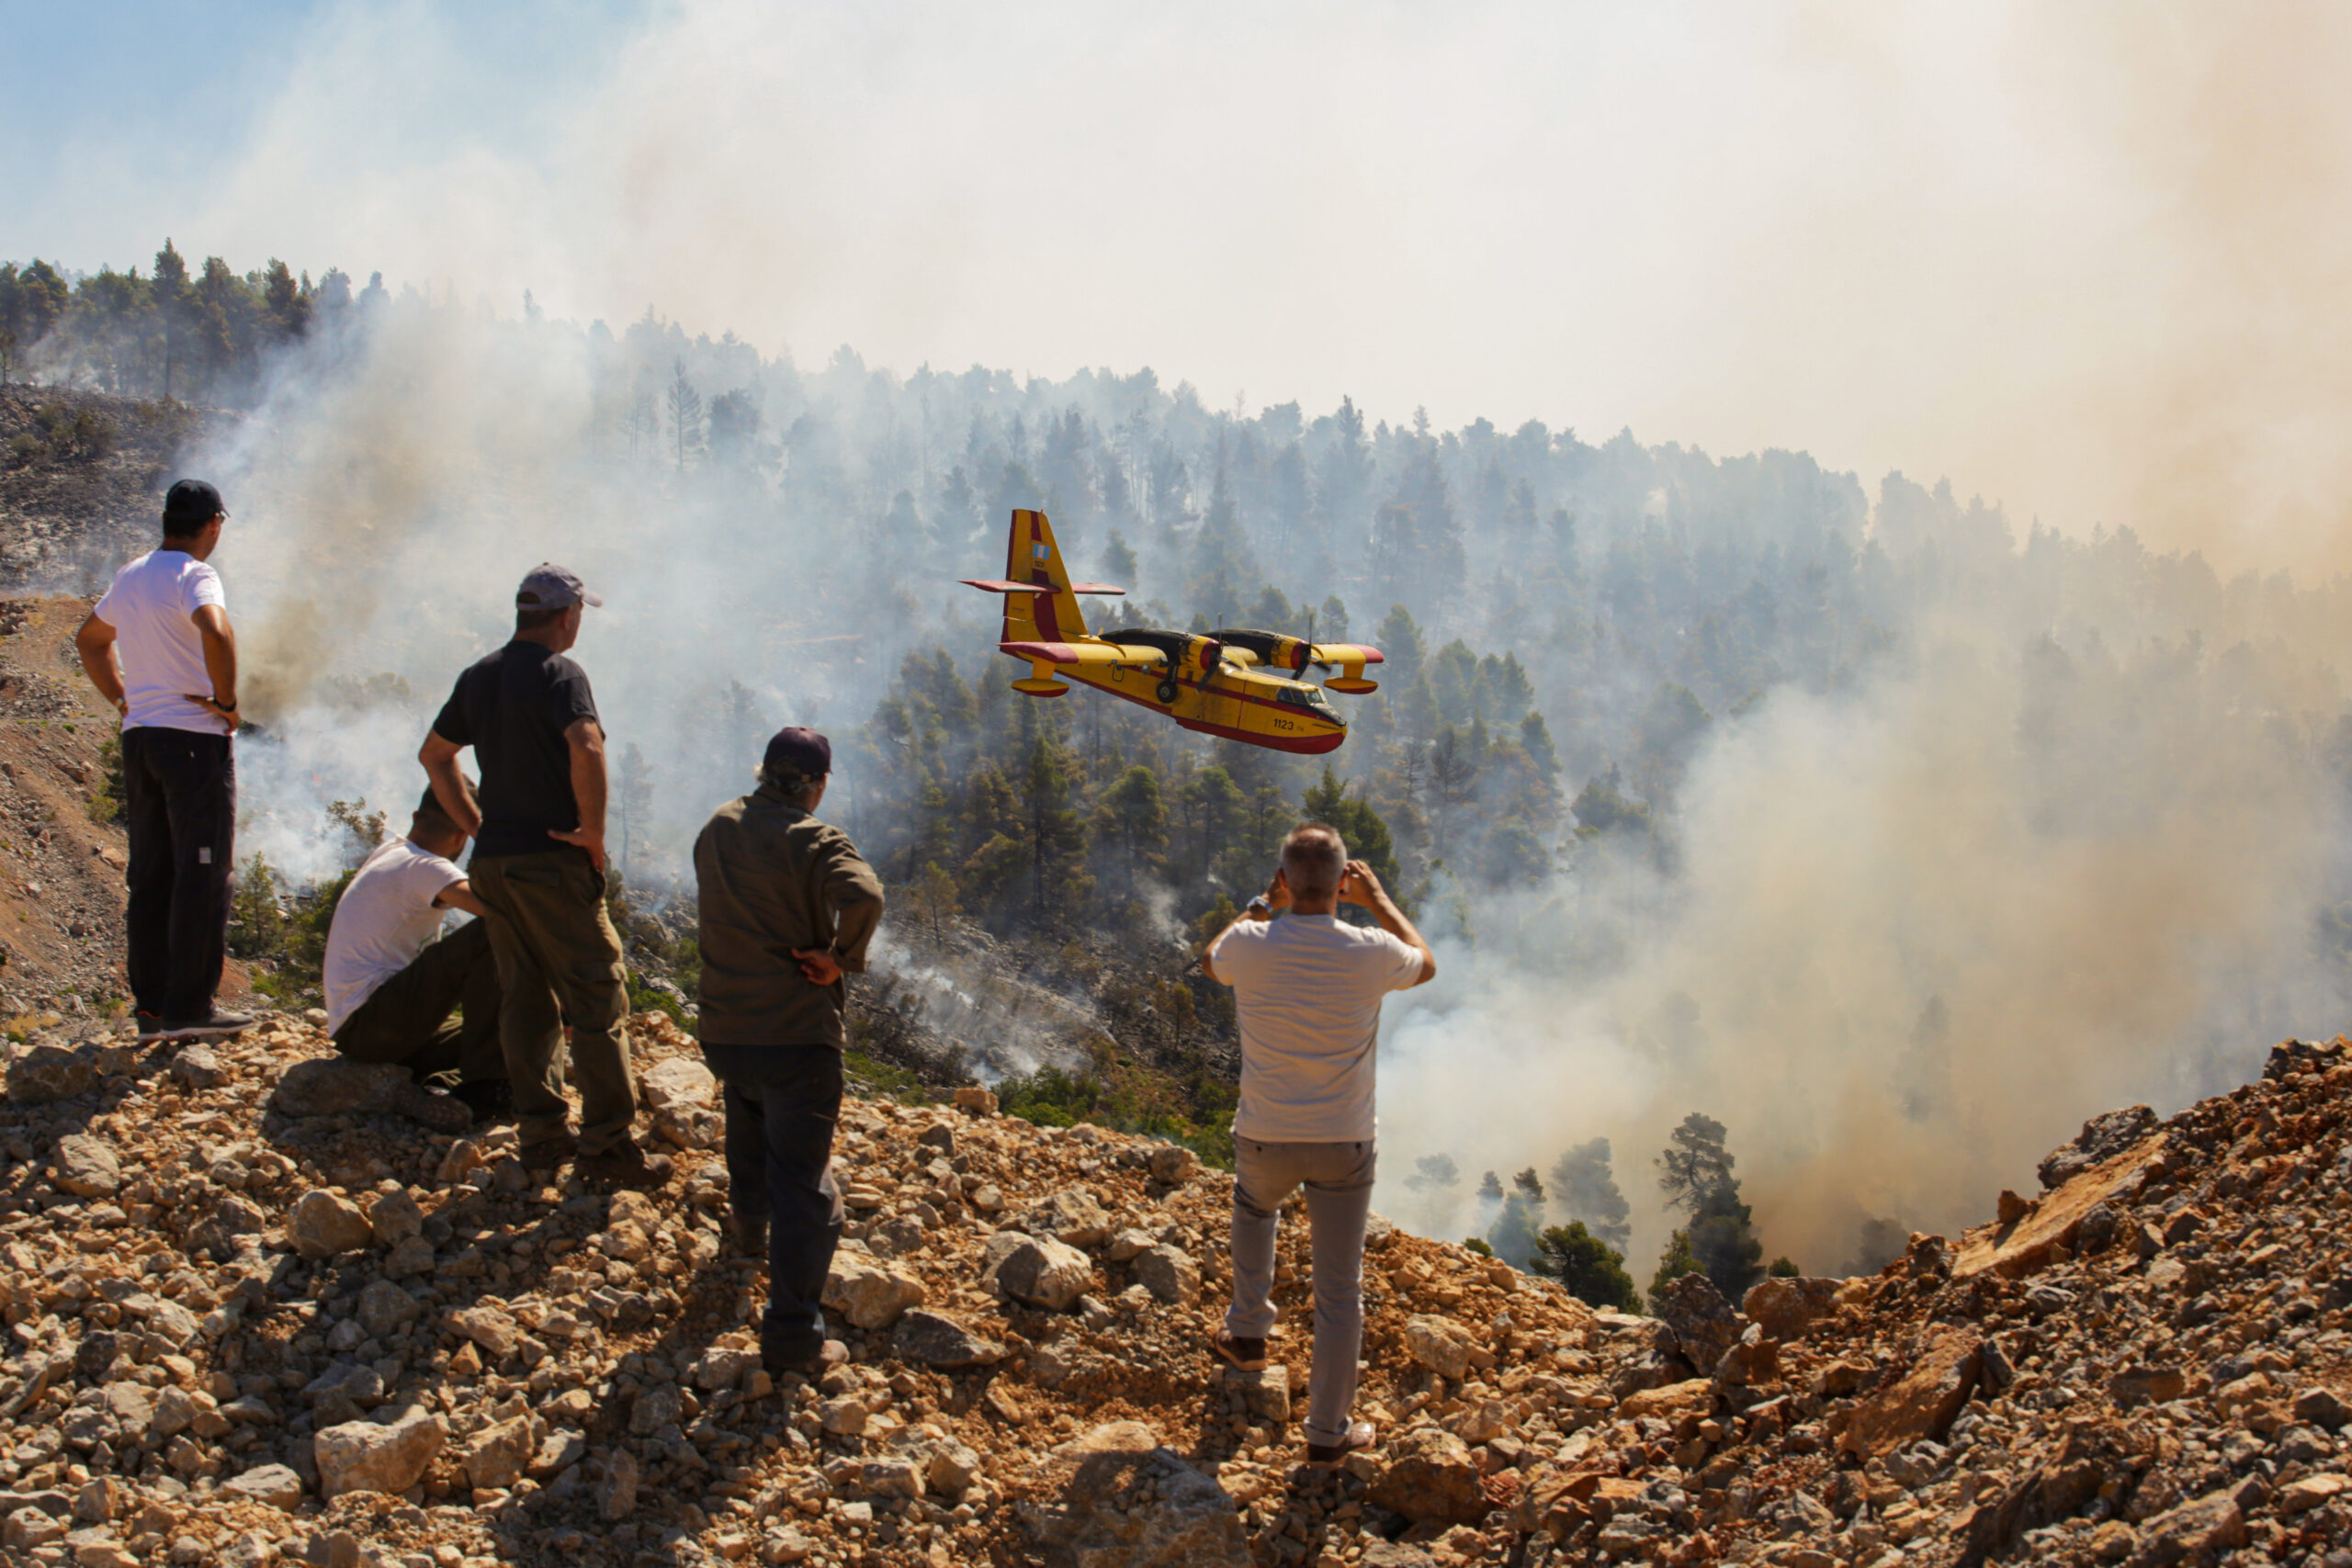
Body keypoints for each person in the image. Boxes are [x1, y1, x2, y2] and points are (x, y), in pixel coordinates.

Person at [418, 563, 670, 1188]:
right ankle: (609, 1146)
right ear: (566, 615)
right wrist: (593, 833)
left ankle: (542, 1137)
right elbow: (586, 746)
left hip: (496, 865)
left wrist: (478, 827)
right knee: (595, 994)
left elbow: (434, 755)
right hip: (551, 862)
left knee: (524, 997)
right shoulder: (562, 674)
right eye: (580, 613)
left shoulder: (478, 676)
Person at [1200, 824, 1437, 1464]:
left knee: (1254, 1207)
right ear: (1341, 883)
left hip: (1266, 1136)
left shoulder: (1250, 941)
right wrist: (1378, 899)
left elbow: (1209, 959)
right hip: (1344, 1141)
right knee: (1339, 1292)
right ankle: (1328, 1434)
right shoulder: (1370, 949)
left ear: (1283, 879)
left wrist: (1258, 906)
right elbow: (1428, 961)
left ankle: (1248, 1331)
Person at [694, 727, 885, 1377]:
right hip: (796, 1036)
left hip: (725, 1030)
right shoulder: (818, 839)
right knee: (804, 1185)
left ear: (763, 770)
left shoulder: (718, 825)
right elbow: (866, 895)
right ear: (817, 784)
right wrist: (839, 960)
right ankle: (793, 1333)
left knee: (747, 1125)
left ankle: (747, 1234)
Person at [74, 479, 253, 1042]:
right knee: (204, 872)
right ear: (214, 525)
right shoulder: (195, 574)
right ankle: (190, 1008)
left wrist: (124, 698)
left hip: (141, 739)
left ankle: (151, 1008)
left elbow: (89, 640)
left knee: (152, 874)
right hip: (194, 741)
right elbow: (217, 632)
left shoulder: (131, 574)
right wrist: (225, 702)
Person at [321, 784, 512, 1122]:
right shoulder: (424, 867)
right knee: (492, 931)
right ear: (463, 836)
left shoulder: (392, 852)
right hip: (373, 1025)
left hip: (368, 1032)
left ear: (416, 818)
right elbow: (502, 912)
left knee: (516, 1033)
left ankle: (438, 1090)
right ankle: (484, 1089)